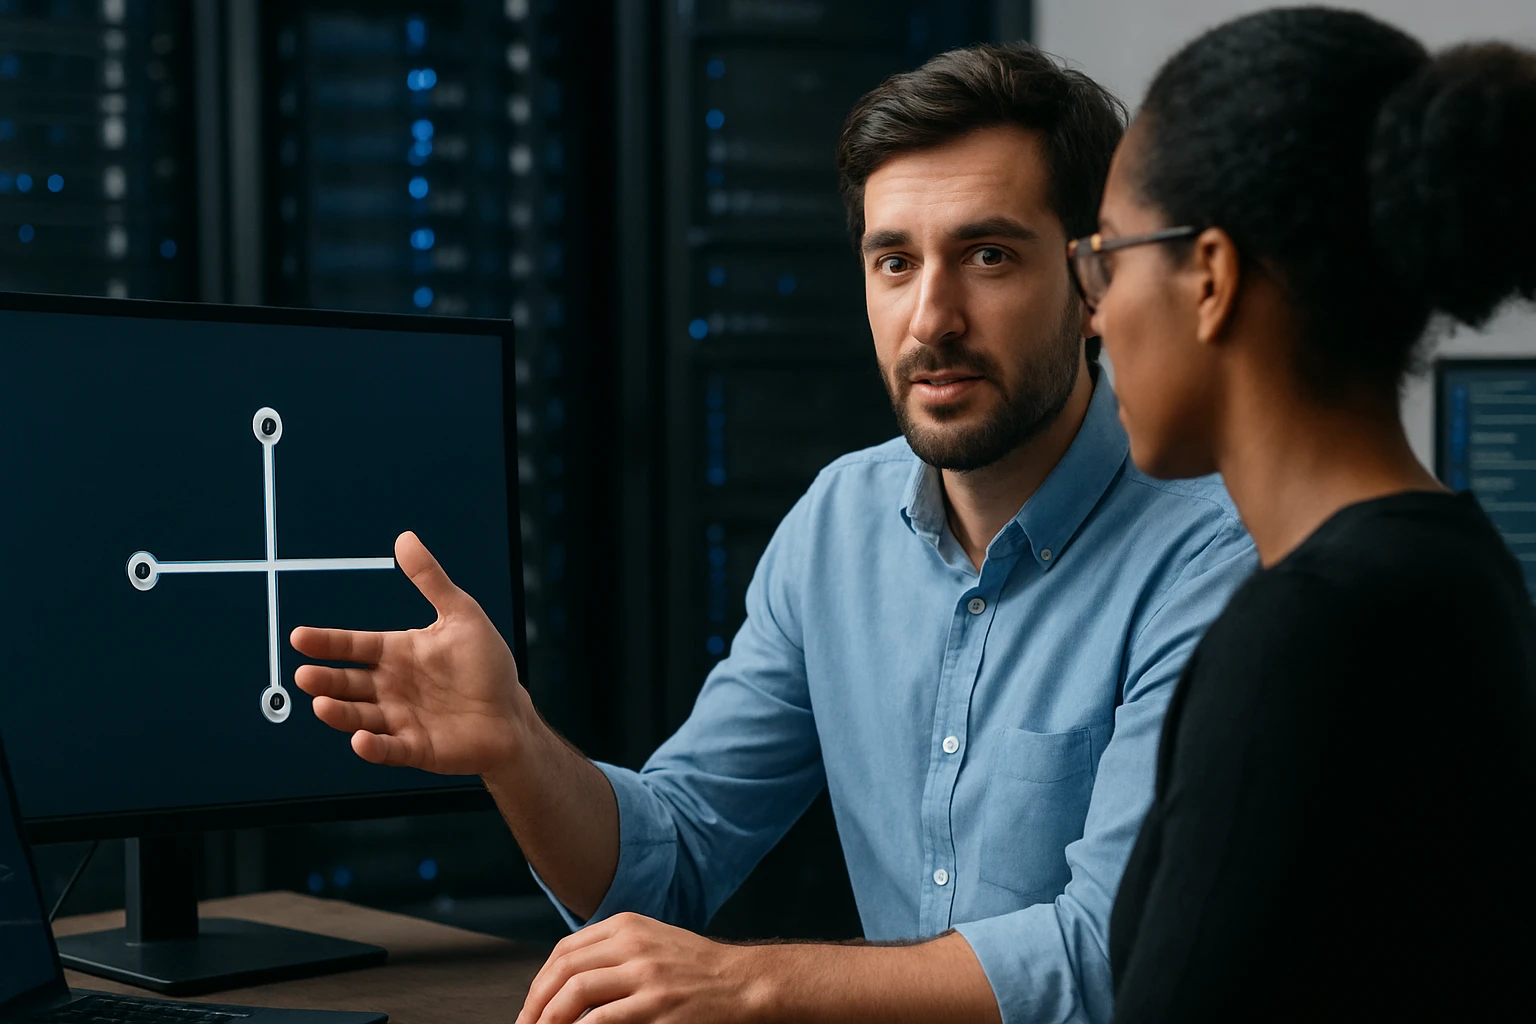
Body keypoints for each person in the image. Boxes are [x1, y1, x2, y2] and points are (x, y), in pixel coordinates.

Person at [292, 44, 1255, 1024]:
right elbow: (670, 859)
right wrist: (515, 744)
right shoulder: (836, 523)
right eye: (895, 262)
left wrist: (754, 981)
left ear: (1093, 284)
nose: (932, 317)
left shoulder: (1214, 559)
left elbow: (1108, 951)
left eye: (988, 255)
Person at [1068, 8, 1536, 1021]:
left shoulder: (1310, 636)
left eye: (1106, 258)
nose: (1093, 313)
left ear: (1211, 277)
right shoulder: (1456, 569)